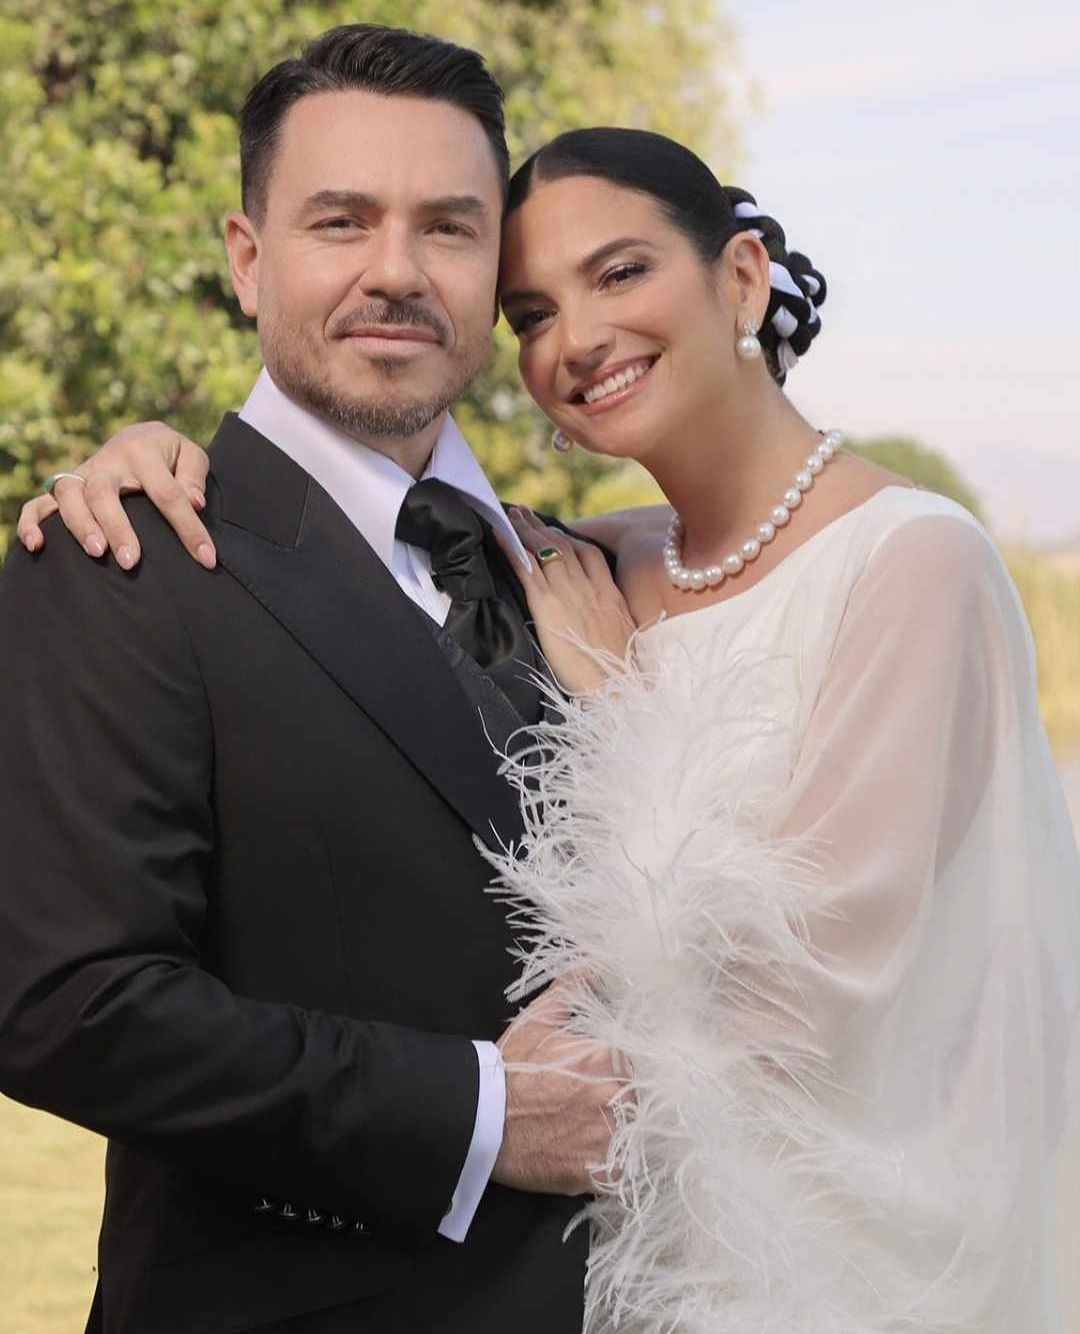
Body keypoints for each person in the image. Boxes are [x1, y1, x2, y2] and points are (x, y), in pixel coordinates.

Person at [25, 119, 1080, 1332]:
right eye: (532, 312)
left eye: (621, 272)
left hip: (803, 1261)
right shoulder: (575, 558)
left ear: (740, 277)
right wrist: (147, 452)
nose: (575, 340)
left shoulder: (913, 561)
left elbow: (788, 1014)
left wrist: (617, 706)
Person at [0, 27, 629, 1334]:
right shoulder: (121, 554)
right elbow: (69, 1003)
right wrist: (482, 1114)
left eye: (448, 228)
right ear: (248, 257)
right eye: (340, 220)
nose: (395, 271)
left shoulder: (573, 569)